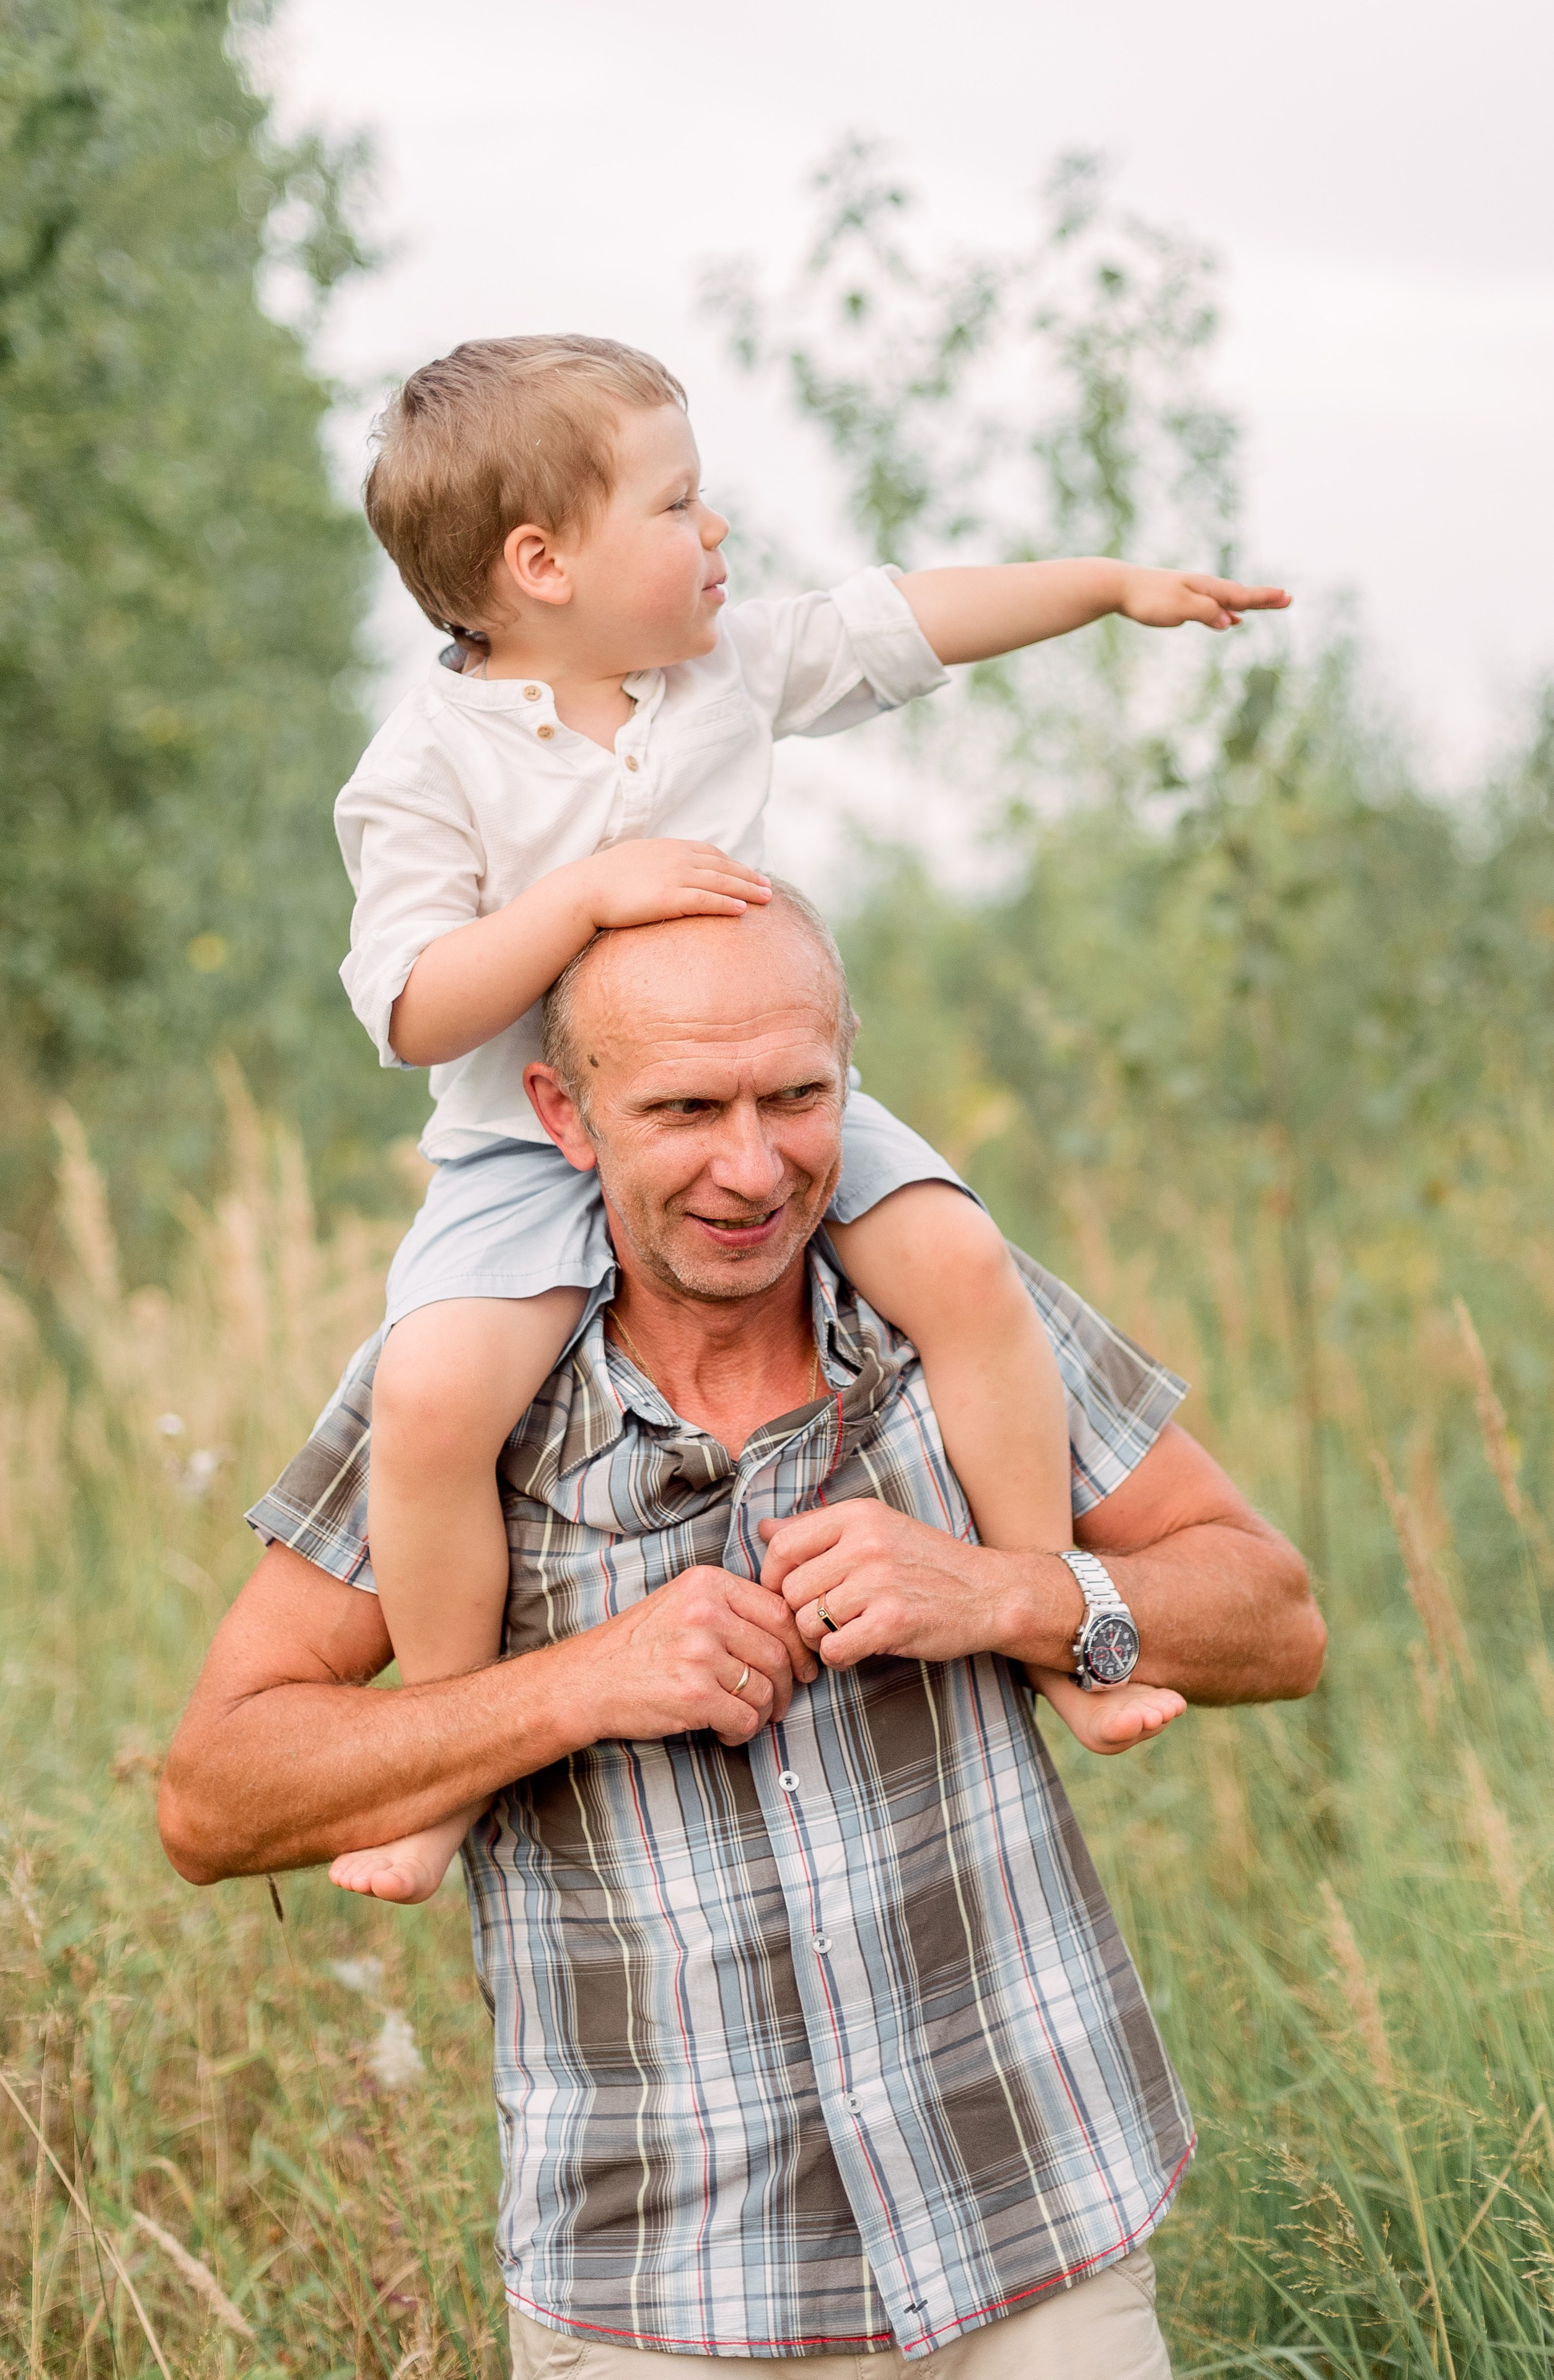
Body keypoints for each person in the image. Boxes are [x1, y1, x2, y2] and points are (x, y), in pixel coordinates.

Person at [159, 892, 1325, 2380]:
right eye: (685, 1110)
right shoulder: (449, 1397)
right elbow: (210, 1797)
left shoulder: (958, 1318)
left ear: (852, 1076)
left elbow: (1274, 1617)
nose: (753, 1165)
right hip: (665, 2302)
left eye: (797, 1098)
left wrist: (1010, 1594)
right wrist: (581, 1683)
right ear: (562, 1117)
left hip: (1038, 2247)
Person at [333, 332, 1292, 1902]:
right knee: (434, 1397)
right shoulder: (423, 765)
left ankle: (1046, 1619)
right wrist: (581, 899)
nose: (716, 535)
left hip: (768, 1103)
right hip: (526, 1145)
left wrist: (1107, 582)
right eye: (679, 504)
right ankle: (447, 1754)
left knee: (965, 1271)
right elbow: (411, 1006)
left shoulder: (727, 667)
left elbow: (908, 614)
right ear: (541, 562)